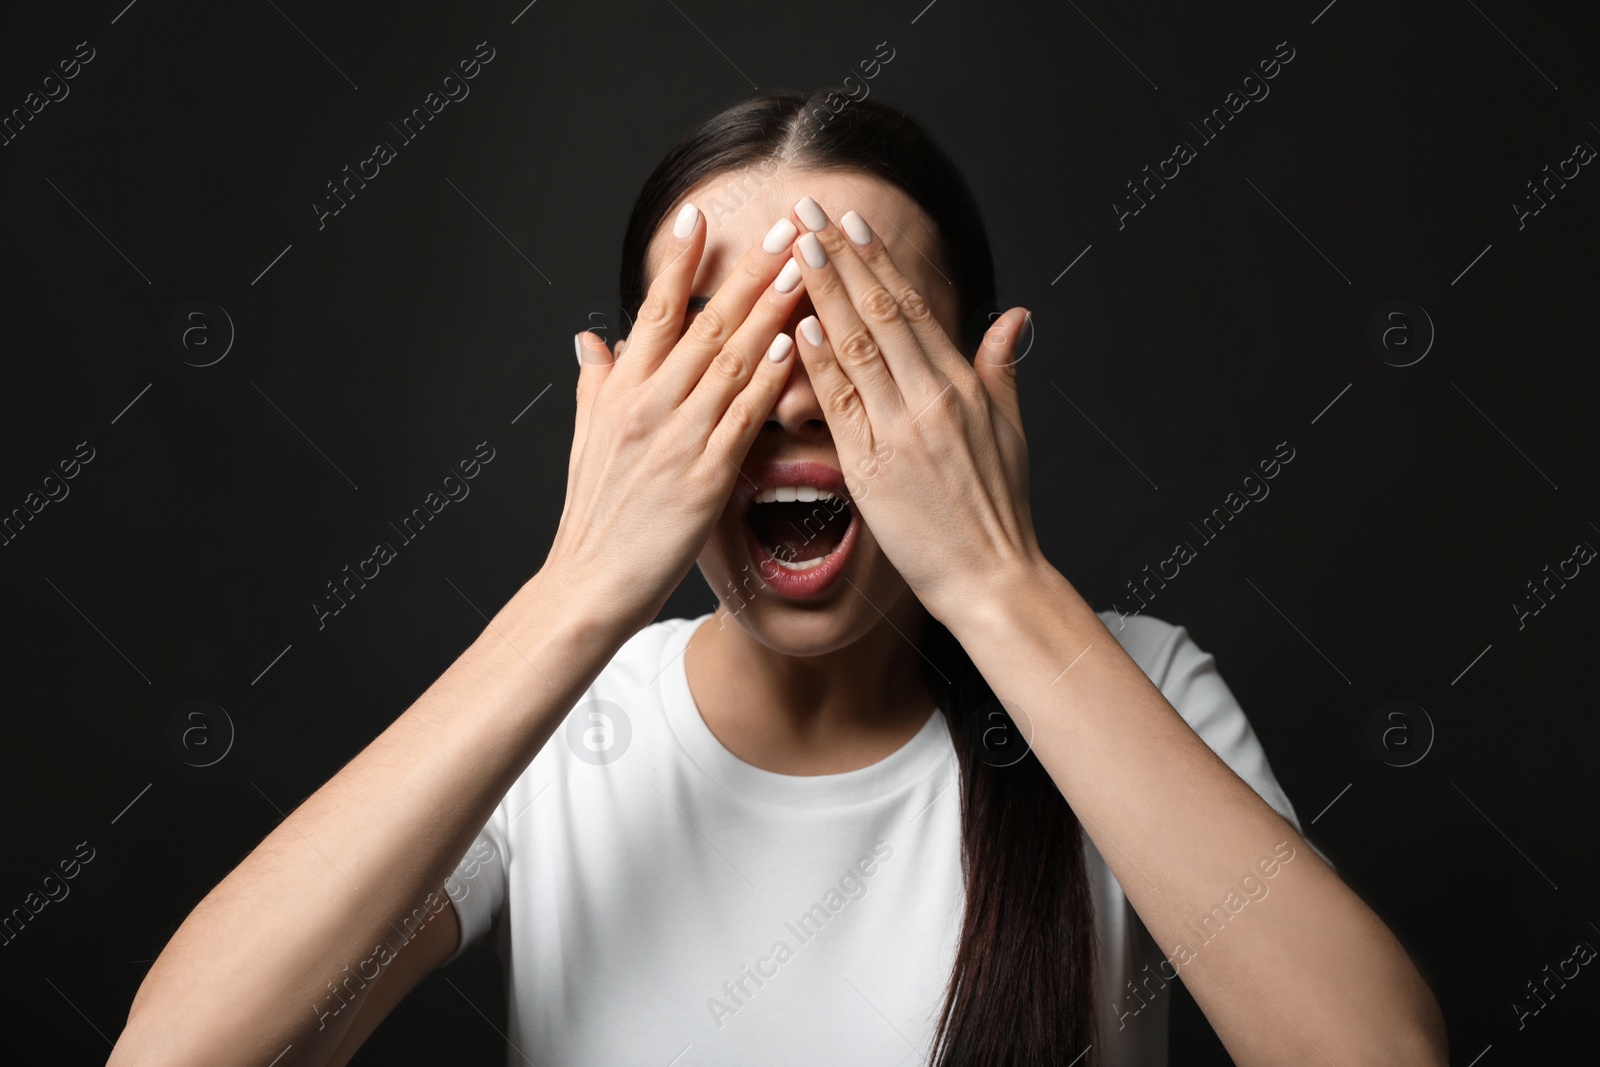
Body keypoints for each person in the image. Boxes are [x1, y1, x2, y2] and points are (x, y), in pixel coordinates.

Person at [111, 90, 1447, 1067]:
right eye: (718, 341)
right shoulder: (569, 727)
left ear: (975, 394)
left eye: (861, 334)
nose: (793, 398)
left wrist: (997, 580)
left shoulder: (1135, 682)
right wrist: (577, 591)